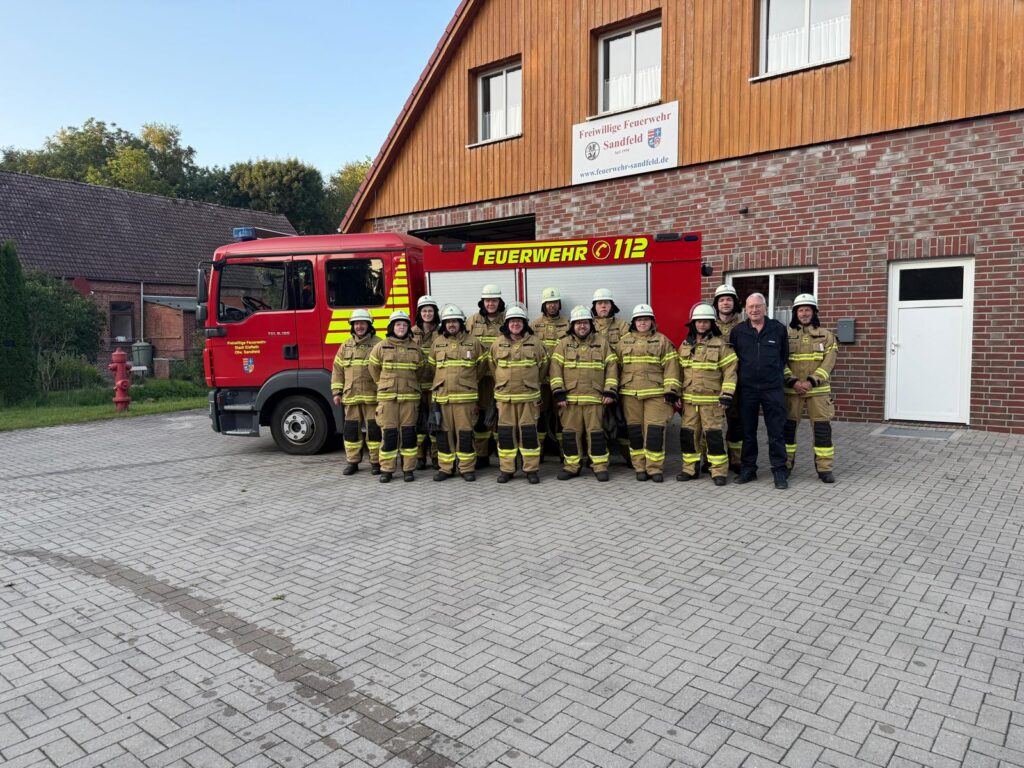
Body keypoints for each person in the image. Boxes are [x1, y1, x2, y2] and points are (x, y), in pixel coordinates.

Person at [549, 305, 618, 481]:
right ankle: (572, 466)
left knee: (596, 434)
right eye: (578, 323)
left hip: (596, 399)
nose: (582, 326)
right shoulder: (563, 344)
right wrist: (558, 392)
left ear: (590, 324)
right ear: (572, 325)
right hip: (569, 400)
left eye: (585, 323)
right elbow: (555, 369)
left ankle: (599, 466)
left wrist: (610, 391)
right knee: (570, 434)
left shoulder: (602, 343)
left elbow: (612, 368)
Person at [729, 292, 790, 489]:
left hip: (772, 388)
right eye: (751, 307)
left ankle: (779, 470)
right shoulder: (738, 331)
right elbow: (733, 360)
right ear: (745, 310)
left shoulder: (778, 329)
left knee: (776, 431)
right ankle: (748, 469)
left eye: (758, 306)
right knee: (748, 432)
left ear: (765, 308)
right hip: (747, 390)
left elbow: (784, 356)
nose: (754, 310)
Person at [617, 304, 681, 482]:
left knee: (655, 432)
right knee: (635, 432)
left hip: (656, 395)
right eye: (639, 320)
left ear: (652, 321)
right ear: (634, 322)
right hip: (630, 394)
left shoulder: (662, 341)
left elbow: (672, 367)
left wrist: (671, 391)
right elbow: (616, 368)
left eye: (646, 319)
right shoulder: (623, 342)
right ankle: (639, 467)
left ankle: (654, 468)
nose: (642, 323)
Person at [677, 304, 738, 486]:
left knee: (713, 436)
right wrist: (677, 394)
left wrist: (727, 394)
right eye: (698, 321)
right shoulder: (685, 345)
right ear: (693, 323)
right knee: (689, 436)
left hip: (712, 402)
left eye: (705, 321)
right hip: (689, 401)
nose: (702, 325)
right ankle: (690, 469)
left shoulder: (721, 345)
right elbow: (678, 372)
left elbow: (730, 371)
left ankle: (718, 471)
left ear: (712, 324)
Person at [427, 304, 487, 482]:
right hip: (443, 398)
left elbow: (482, 367)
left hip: (465, 399)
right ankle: (446, 468)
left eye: (455, 321)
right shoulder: (437, 343)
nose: (451, 324)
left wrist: (469, 382)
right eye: (448, 321)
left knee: (465, 434)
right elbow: (432, 367)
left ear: (461, 322)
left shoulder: (473, 342)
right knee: (444, 435)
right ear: (444, 324)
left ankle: (466, 468)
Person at [489, 304, 547, 484]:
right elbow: (492, 366)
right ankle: (507, 470)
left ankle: (531, 470)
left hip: (528, 398)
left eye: (519, 321)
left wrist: (532, 383)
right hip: (505, 398)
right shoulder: (497, 343)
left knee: (529, 435)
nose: (515, 324)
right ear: (507, 324)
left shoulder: (536, 343)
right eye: (512, 321)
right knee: (506, 436)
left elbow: (543, 367)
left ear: (524, 323)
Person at [784, 293, 838, 483]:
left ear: (814, 312)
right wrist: (792, 381)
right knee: (788, 430)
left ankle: (825, 469)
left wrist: (812, 381)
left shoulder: (827, 336)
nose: (804, 313)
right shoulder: (785, 335)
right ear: (795, 313)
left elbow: (829, 363)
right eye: (801, 310)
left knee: (822, 431)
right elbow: (779, 361)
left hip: (818, 391)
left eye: (808, 310)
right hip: (792, 390)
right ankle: (785, 466)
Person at [368, 311, 426, 483]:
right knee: (389, 434)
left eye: (404, 324)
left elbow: (420, 371)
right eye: (398, 324)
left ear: (408, 327)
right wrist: (385, 384)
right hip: (388, 399)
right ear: (392, 327)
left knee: (409, 434)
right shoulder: (381, 347)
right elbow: (373, 369)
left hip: (409, 399)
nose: (401, 327)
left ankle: (408, 469)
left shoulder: (415, 348)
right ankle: (387, 470)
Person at [331, 309, 381, 476]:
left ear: (369, 325)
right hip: (351, 396)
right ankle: (352, 462)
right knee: (351, 432)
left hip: (373, 397)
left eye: (362, 323)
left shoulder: (379, 345)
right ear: (352, 326)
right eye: (356, 324)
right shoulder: (345, 346)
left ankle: (376, 462)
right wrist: (337, 392)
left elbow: (386, 371)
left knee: (374, 432)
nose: (359, 326)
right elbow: (337, 371)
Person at [466, 284, 506, 465]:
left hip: (501, 377)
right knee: (481, 415)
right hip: (480, 377)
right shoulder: (472, 321)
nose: (491, 304)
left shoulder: (507, 319)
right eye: (488, 300)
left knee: (501, 415)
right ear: (482, 302)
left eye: (494, 300)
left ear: (499, 302)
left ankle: (502, 454)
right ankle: (482, 455)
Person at [591, 288, 631, 461]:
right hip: (595, 381)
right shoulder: (587, 325)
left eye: (606, 303)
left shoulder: (622, 326)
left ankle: (628, 455)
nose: (603, 306)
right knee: (597, 421)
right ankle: (599, 455)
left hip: (621, 380)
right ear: (594, 306)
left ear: (611, 305)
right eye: (599, 303)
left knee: (623, 419)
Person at [531, 287, 569, 453]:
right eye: (548, 303)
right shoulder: (534, 325)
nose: (552, 306)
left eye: (555, 302)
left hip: (562, 381)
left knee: (563, 416)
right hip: (541, 382)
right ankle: (539, 452)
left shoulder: (568, 324)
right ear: (544, 305)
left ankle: (563, 451)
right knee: (538, 415)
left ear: (559, 304)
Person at [712, 284, 744, 472]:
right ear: (716, 304)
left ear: (735, 303)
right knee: (711, 424)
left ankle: (736, 460)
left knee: (736, 423)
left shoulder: (744, 326)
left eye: (729, 299)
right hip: (712, 382)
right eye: (722, 300)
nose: (725, 303)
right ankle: (710, 460)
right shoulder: (707, 324)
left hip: (736, 383)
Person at [411, 295, 441, 470]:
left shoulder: (441, 332)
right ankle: (420, 456)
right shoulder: (411, 332)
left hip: (435, 386)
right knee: (418, 423)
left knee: (436, 422)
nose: (427, 314)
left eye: (430, 311)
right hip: (416, 387)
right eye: (424, 311)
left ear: (435, 313)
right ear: (419, 313)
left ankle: (436, 456)